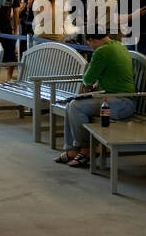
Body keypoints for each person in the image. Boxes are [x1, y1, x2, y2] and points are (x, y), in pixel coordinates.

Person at [53, 29, 137, 168]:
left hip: (121, 102)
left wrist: (91, 83)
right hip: (121, 99)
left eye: (89, 44)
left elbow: (87, 79)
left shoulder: (102, 51)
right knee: (71, 105)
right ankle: (72, 151)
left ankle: (86, 150)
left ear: (91, 39)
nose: (90, 47)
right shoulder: (118, 45)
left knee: (75, 106)